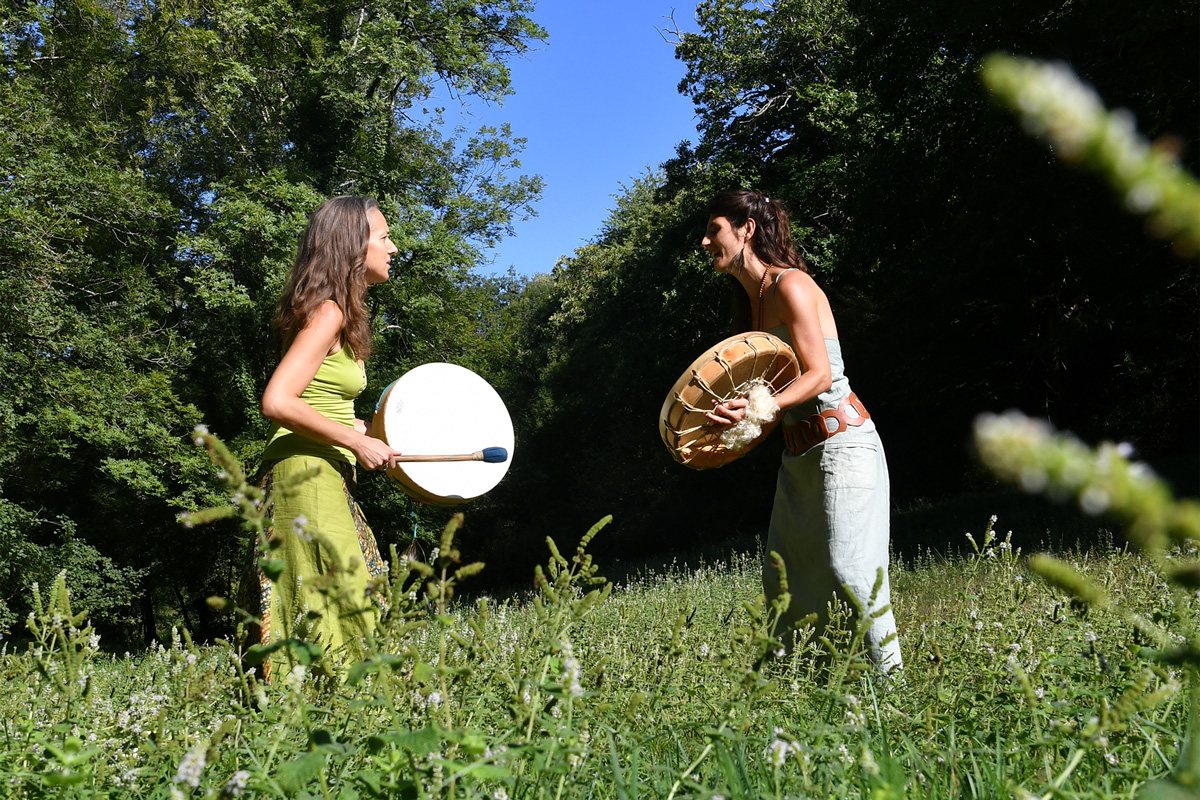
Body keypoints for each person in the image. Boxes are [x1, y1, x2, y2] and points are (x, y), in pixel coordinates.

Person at [700, 189, 903, 672]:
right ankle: (807, 700)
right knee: (783, 586)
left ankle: (894, 697)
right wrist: (733, 431)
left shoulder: (791, 285)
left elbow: (820, 376)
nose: (705, 242)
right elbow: (772, 407)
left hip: (843, 446)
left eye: (714, 230)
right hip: (800, 459)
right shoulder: (752, 307)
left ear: (747, 228)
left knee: (852, 574)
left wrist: (756, 406)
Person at [250, 195, 402, 681]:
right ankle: (336, 719)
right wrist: (355, 442)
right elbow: (277, 400)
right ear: (354, 247)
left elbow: (319, 402)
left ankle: (330, 720)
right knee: (341, 595)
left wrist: (359, 431)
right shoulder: (329, 312)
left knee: (347, 591)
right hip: (305, 474)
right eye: (383, 237)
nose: (393, 247)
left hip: (322, 472)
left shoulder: (340, 315)